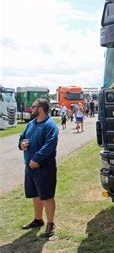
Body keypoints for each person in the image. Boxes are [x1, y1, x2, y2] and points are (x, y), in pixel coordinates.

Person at [18, 98, 59, 238]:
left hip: (44, 168)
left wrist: (36, 158)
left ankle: (51, 224)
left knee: (47, 196)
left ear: (40, 109)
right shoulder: (31, 124)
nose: (31, 109)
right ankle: (38, 220)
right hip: (30, 168)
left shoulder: (50, 125)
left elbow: (49, 145)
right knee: (35, 195)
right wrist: (21, 145)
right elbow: (22, 137)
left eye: (33, 106)